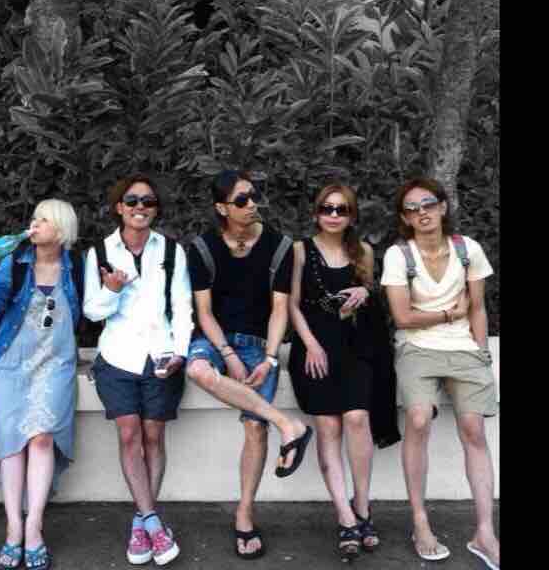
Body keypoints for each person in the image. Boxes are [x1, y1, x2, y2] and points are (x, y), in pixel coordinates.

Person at [183, 169, 312, 560]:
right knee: (197, 369)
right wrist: (227, 355)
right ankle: (288, 425)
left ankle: (244, 514)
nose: (252, 204)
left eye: (253, 195)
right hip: (214, 339)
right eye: (241, 200)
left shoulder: (279, 246)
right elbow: (204, 312)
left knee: (255, 428)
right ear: (222, 208)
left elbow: (279, 309)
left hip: (258, 343)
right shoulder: (203, 248)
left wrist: (270, 358)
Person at [381, 178, 499, 569]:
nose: (422, 213)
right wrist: (450, 313)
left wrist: (481, 352)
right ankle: (420, 523)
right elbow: (402, 317)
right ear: (405, 218)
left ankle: (485, 533)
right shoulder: (399, 255)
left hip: (464, 347)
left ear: (443, 207)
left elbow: (477, 308)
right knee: (418, 419)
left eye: (428, 204)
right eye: (412, 208)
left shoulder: (468, 249)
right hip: (416, 347)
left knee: (474, 429)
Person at [83, 175, 191, 567]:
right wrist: (112, 289)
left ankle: (141, 521)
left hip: (161, 353)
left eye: (148, 201)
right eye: (132, 201)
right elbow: (91, 311)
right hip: (118, 356)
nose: (140, 207)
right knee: (129, 434)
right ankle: (154, 524)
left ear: (155, 208)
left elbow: (182, 306)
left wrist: (180, 352)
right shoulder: (100, 251)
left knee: (153, 436)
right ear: (119, 207)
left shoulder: (172, 251)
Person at [0, 199, 82, 570]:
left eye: (43, 220)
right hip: (12, 363)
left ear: (61, 229)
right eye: (34, 218)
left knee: (42, 438)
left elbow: (90, 311)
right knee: (11, 443)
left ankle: (34, 525)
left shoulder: (77, 266)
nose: (34, 225)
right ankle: (13, 526)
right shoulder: (15, 264)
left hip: (55, 364)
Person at [288, 184, 393, 561]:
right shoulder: (300, 251)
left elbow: (370, 295)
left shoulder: (363, 250)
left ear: (351, 215)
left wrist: (366, 293)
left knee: (357, 418)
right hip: (315, 349)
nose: (333, 215)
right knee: (328, 426)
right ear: (316, 213)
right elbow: (292, 305)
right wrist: (312, 345)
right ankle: (345, 516)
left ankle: (362, 506)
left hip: (356, 347)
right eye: (327, 209)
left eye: (341, 209)